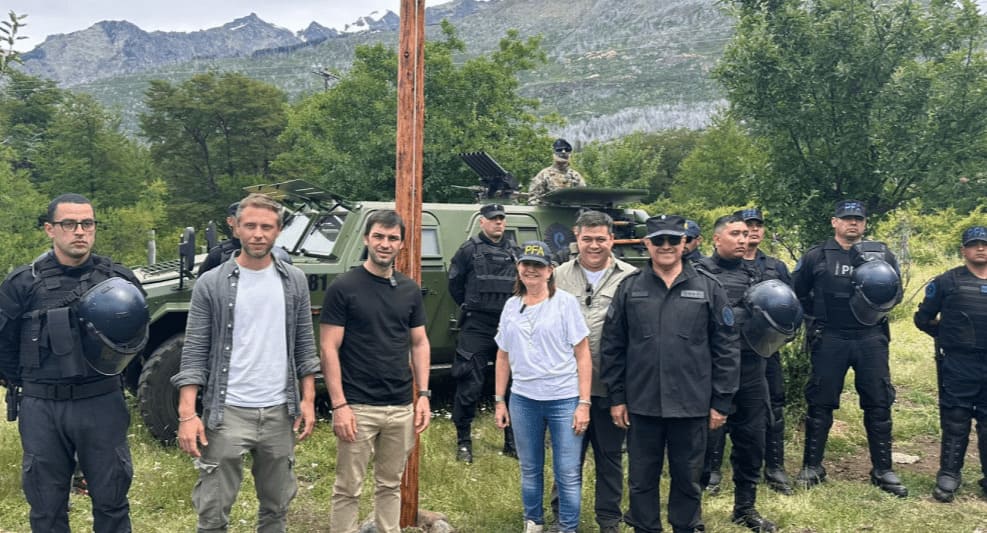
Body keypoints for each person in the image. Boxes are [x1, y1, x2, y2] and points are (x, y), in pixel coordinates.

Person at [172, 193, 320, 532]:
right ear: (236, 228)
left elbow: (303, 344)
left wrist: (308, 400)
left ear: (278, 231)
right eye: (250, 226)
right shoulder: (211, 283)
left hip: (280, 411)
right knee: (213, 511)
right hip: (227, 412)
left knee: (276, 508)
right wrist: (187, 414)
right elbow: (194, 351)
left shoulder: (294, 281)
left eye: (266, 227)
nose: (258, 234)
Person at [0, 193, 144, 532]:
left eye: (87, 223)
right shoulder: (21, 284)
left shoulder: (118, 281)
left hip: (101, 402)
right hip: (42, 408)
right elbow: (3, 346)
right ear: (50, 229)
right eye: (69, 224)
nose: (80, 231)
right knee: (46, 509)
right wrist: (30, 382)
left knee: (112, 503)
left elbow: (138, 339)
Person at [601, 214, 740, 533]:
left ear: (684, 243)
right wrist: (617, 397)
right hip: (642, 403)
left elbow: (726, 348)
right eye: (658, 240)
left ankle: (685, 528)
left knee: (688, 479)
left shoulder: (708, 287)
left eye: (673, 240)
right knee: (641, 480)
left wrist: (721, 401)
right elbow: (613, 346)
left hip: (691, 404)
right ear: (646, 244)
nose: (666, 246)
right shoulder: (629, 288)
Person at [320, 210, 432, 533]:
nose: (385, 244)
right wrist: (339, 405)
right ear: (366, 239)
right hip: (357, 406)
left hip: (400, 406)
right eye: (379, 236)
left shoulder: (409, 290)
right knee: (348, 488)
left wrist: (424, 395)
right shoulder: (344, 287)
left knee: (390, 484)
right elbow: (328, 348)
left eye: (393, 238)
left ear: (401, 244)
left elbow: (420, 343)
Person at [792, 199, 907, 497]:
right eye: (846, 218)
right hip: (831, 337)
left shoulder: (882, 255)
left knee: (879, 402)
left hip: (870, 337)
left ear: (865, 224)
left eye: (858, 219)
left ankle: (883, 470)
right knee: (820, 402)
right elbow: (797, 292)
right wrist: (814, 322)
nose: (852, 223)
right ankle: (812, 467)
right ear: (835, 222)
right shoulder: (817, 255)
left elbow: (895, 293)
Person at [494, 240, 591, 533]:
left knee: (567, 471)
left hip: (564, 398)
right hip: (524, 399)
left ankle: (567, 527)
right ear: (518, 268)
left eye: (538, 266)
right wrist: (499, 399)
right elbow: (503, 355)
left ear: (550, 270)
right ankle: (533, 522)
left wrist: (583, 403)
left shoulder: (565, 303)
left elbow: (583, 354)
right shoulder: (511, 306)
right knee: (529, 468)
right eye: (526, 264)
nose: (531, 270)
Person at [551, 210, 637, 533]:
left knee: (610, 456)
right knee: (567, 457)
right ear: (577, 237)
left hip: (611, 385)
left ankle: (609, 520)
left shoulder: (630, 277)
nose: (594, 245)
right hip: (567, 386)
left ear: (612, 239)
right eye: (587, 239)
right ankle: (562, 517)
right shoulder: (557, 276)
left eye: (601, 239)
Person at [696, 214, 777, 532]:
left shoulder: (758, 274)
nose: (743, 239)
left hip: (752, 368)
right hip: (711, 371)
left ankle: (745, 508)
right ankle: (693, 511)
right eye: (735, 234)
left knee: (752, 440)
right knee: (703, 444)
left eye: (745, 234)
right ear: (716, 239)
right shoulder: (699, 273)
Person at [914, 225, 987, 502]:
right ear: (963, 250)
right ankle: (949, 474)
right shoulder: (947, 281)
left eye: (985, 244)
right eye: (974, 244)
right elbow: (923, 318)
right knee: (956, 418)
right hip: (959, 362)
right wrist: (948, 335)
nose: (980, 248)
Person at [448, 203, 520, 462]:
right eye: (493, 219)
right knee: (469, 382)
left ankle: (512, 442)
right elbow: (455, 284)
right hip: (477, 325)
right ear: (482, 222)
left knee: (515, 385)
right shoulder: (468, 250)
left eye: (501, 218)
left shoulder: (515, 251)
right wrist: (471, 305)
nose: (498, 222)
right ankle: (463, 442)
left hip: (508, 324)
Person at [736, 207, 795, 495]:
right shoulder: (722, 266)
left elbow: (792, 306)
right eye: (747, 226)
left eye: (758, 225)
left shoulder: (775, 267)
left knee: (774, 405)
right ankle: (714, 470)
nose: (754, 230)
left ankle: (774, 466)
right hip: (732, 352)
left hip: (767, 350)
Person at [528, 138, 586, 205]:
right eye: (559, 150)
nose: (563, 152)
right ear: (553, 154)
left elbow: (583, 198)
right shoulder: (543, 175)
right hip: (548, 210)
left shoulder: (576, 176)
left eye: (567, 150)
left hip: (571, 211)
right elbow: (533, 199)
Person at [198, 202, 241, 276]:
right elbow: (202, 281)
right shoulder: (219, 255)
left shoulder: (261, 251)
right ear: (230, 221)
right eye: (240, 219)